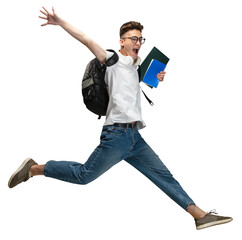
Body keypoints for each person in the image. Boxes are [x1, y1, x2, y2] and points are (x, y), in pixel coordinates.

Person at [8, 6, 232, 230]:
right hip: (116, 135)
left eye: (140, 39)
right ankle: (34, 168)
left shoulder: (136, 67)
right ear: (122, 42)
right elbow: (86, 40)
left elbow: (135, 88)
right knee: (84, 175)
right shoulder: (112, 60)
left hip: (135, 138)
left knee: (164, 176)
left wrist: (157, 77)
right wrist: (60, 22)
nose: (138, 42)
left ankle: (199, 215)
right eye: (133, 38)